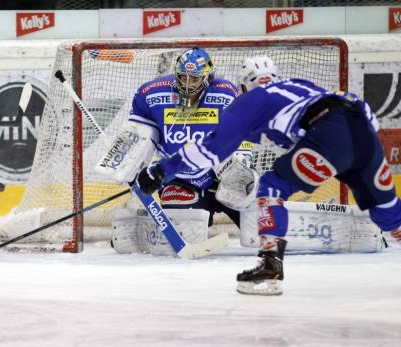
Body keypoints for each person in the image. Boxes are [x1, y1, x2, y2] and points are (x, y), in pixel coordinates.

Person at [136, 58, 401, 295]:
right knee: (387, 213)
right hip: (363, 127)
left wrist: (162, 169)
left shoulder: (252, 99)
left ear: (243, 86)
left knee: (272, 188)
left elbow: (212, 149)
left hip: (328, 133)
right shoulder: (297, 85)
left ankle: (270, 264)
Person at [107, 47, 253, 256]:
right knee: (185, 234)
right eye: (182, 77)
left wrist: (242, 164)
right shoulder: (152, 93)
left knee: (261, 231)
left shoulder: (226, 93)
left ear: (207, 77)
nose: (187, 84)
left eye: (194, 79)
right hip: (179, 179)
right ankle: (138, 229)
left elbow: (241, 135)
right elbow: (138, 134)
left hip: (221, 177)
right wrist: (126, 163)